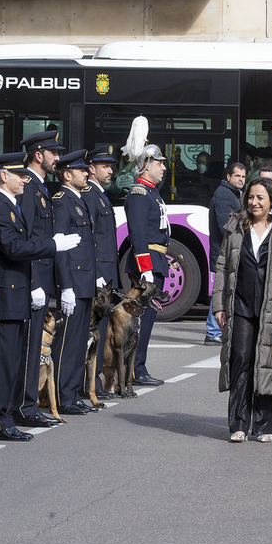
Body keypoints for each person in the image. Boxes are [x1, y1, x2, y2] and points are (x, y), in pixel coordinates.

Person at [0, 153, 78, 441]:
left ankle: (6, 416)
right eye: (19, 175)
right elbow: (13, 247)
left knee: (12, 359)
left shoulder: (10, 206)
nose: (25, 179)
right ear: (3, 176)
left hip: (17, 292)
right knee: (3, 361)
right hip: (5, 294)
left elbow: (24, 242)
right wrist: (52, 245)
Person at [213, 177, 272, 442]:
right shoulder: (235, 228)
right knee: (240, 359)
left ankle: (264, 426)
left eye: (260, 198)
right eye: (250, 197)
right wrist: (218, 304)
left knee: (268, 362)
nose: (254, 202)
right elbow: (222, 267)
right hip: (241, 305)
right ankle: (238, 424)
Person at [13, 130, 65, 428]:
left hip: (43, 277)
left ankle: (28, 404)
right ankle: (25, 406)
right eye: (53, 153)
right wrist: (34, 282)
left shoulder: (40, 187)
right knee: (31, 346)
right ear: (38, 154)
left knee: (35, 346)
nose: (57, 158)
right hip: (35, 278)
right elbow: (29, 239)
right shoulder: (31, 189)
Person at [51, 150, 99, 415]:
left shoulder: (79, 200)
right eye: (82, 171)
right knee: (68, 342)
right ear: (67, 175)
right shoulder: (62, 201)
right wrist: (65, 286)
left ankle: (71, 391)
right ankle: (61, 394)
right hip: (73, 282)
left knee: (79, 341)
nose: (87, 173)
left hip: (84, 281)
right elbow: (60, 247)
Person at [124, 137, 170, 386]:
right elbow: (138, 235)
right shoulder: (140, 193)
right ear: (146, 164)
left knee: (147, 321)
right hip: (147, 262)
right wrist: (146, 269)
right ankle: (134, 369)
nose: (163, 168)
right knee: (140, 321)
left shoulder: (151, 192)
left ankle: (138, 366)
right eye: (159, 163)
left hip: (155, 258)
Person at [82, 145, 118, 398]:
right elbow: (90, 239)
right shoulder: (90, 195)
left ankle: (93, 382)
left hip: (105, 271)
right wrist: (95, 272)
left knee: (100, 331)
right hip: (98, 272)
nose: (111, 171)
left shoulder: (101, 194)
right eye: (105, 166)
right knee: (92, 332)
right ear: (91, 169)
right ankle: (89, 383)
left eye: (111, 166)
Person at [206, 161, 246, 345]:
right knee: (222, 291)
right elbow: (226, 227)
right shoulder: (224, 195)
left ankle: (217, 329)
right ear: (228, 177)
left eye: (244, 177)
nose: (241, 179)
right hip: (224, 252)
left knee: (226, 290)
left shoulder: (231, 194)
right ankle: (213, 330)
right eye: (237, 176)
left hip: (227, 251)